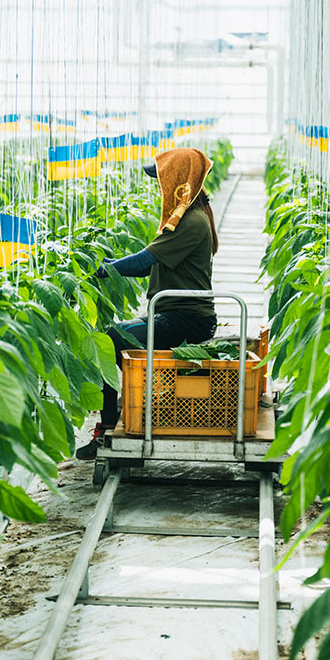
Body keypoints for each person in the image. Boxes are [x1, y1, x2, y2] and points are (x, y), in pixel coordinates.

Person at [76, 146, 219, 460]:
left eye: (162, 180)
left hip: (187, 319)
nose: (159, 187)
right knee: (114, 337)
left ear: (179, 182)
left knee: (112, 340)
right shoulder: (185, 216)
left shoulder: (190, 222)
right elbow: (147, 265)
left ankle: (109, 426)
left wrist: (103, 269)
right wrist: (107, 264)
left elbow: (144, 261)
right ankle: (122, 413)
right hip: (174, 313)